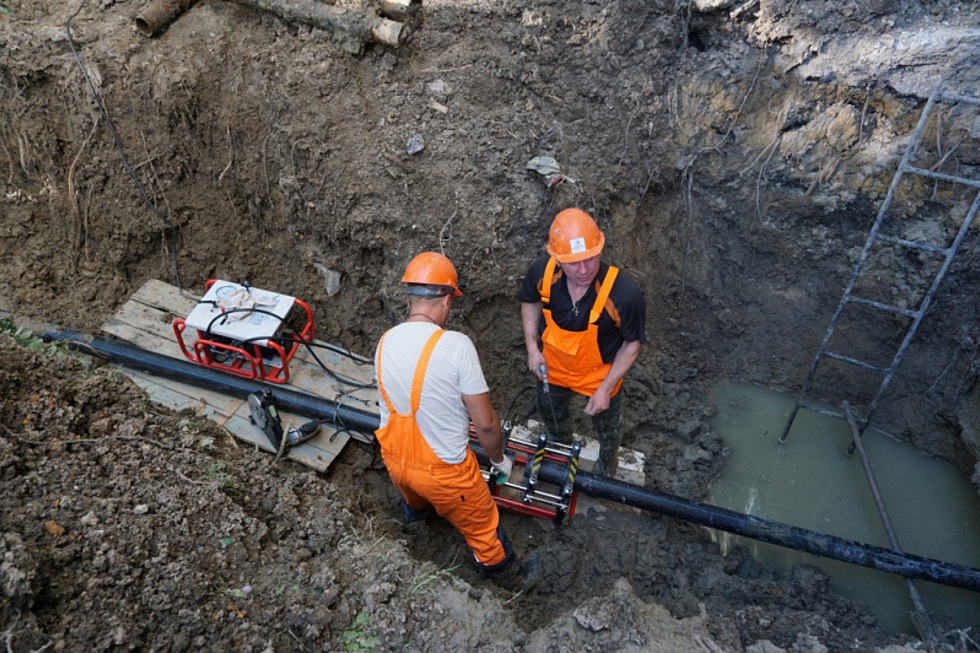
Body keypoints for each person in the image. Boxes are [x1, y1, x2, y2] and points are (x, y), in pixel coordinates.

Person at [374, 252, 515, 574]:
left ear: (409, 300)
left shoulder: (385, 341)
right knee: (485, 533)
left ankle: (415, 520)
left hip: (395, 462)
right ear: (447, 301)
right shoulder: (456, 345)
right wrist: (498, 461)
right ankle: (502, 573)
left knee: (415, 497)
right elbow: (487, 426)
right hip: (445, 475)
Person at [516, 208, 647, 476]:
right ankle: (558, 442)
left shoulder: (624, 294)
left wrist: (605, 389)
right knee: (550, 411)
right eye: (574, 263)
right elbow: (529, 301)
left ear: (600, 249)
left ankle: (606, 466)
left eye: (591, 258)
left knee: (609, 428)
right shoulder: (543, 273)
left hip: (599, 375)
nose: (584, 269)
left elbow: (632, 344)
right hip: (552, 367)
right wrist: (532, 348)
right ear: (557, 258)